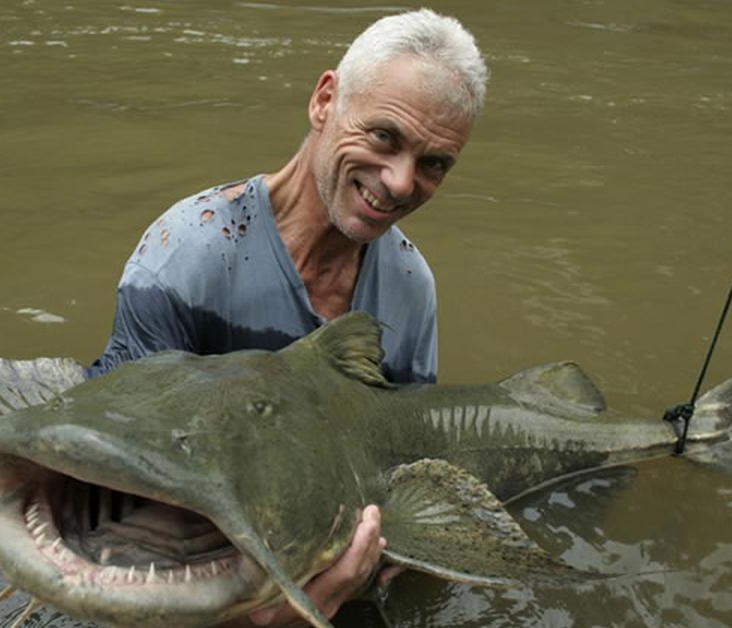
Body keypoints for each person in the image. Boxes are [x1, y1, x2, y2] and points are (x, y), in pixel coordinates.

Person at [87, 9, 488, 626]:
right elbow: (121, 469)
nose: (401, 182)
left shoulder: (411, 288)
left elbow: (406, 468)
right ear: (324, 101)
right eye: (384, 136)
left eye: (434, 163)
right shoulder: (186, 257)